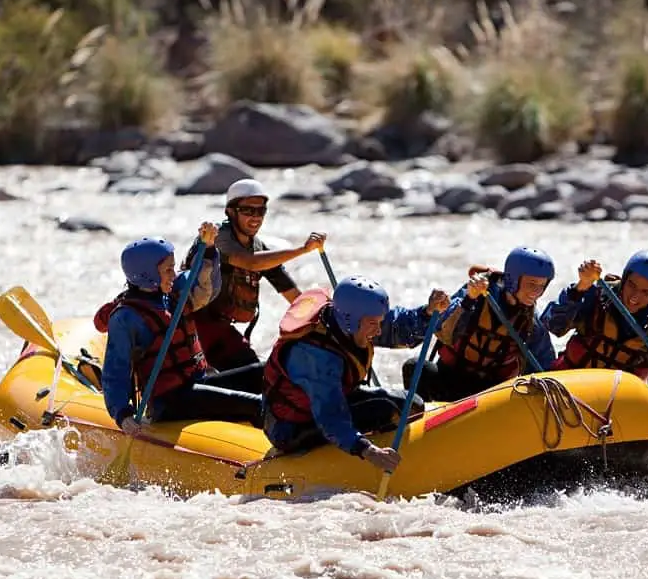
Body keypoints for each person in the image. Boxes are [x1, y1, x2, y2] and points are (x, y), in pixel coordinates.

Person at [262, 276, 453, 473]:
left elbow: (396, 327)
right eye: (373, 323)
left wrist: (428, 311)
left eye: (379, 322)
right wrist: (369, 451)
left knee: (412, 403)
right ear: (350, 321)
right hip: (291, 428)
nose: (378, 330)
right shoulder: (317, 357)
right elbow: (331, 419)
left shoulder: (354, 320)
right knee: (385, 410)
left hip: (331, 401)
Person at [96, 223, 262, 434]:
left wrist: (209, 247)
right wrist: (122, 414)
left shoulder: (173, 295)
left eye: (173, 268)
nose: (173, 274)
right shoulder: (127, 317)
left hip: (196, 384)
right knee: (254, 404)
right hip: (169, 401)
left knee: (263, 373)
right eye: (167, 270)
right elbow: (115, 371)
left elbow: (204, 286)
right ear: (147, 275)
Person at [183, 178, 326, 393]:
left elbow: (292, 294)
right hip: (191, 327)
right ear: (231, 212)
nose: (255, 217)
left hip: (222, 329)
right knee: (211, 380)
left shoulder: (259, 247)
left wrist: (322, 319)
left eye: (261, 211)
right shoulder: (217, 238)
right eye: (248, 210)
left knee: (262, 376)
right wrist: (302, 250)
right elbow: (250, 262)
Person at [544, 249, 648, 424]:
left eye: (646, 292)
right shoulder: (596, 298)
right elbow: (553, 324)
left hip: (619, 407)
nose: (635, 296)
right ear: (624, 280)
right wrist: (580, 288)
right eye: (632, 285)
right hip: (571, 390)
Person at [402, 246, 557, 402]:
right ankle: (420, 419)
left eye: (541, 286)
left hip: (489, 394)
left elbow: (544, 367)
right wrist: (469, 299)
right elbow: (444, 332)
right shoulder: (477, 295)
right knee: (415, 367)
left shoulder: (531, 322)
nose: (536, 292)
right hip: (451, 378)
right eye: (531, 284)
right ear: (514, 280)